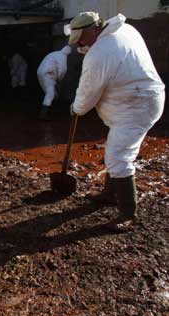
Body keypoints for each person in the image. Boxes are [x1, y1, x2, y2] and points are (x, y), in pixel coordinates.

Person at [67, 12, 165, 228]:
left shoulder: (98, 54)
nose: (80, 44)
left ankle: (128, 215)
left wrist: (75, 108)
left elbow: (87, 96)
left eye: (81, 39)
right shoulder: (126, 30)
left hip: (135, 106)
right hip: (143, 98)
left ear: (92, 30)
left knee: (119, 156)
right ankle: (109, 194)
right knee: (114, 148)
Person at [36, 45, 72, 120]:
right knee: (50, 94)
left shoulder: (54, 53)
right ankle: (43, 114)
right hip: (48, 74)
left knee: (49, 93)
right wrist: (59, 79)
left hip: (40, 72)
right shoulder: (63, 56)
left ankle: (49, 111)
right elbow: (63, 70)